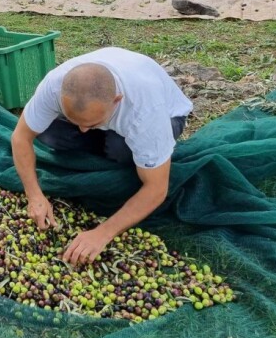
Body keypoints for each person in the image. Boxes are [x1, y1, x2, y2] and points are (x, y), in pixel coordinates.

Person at [11, 47, 193, 266]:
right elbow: (21, 137)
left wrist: (102, 233)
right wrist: (34, 196)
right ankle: (98, 134)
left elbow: (157, 189)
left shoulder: (144, 112)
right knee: (50, 133)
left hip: (169, 116)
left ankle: (120, 146)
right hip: (110, 115)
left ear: (116, 100)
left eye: (92, 123)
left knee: (119, 149)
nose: (83, 130)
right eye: (75, 121)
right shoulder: (53, 86)